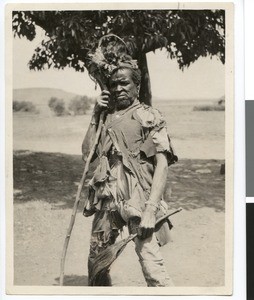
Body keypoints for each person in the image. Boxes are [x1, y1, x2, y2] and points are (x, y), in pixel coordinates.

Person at [82, 61, 177, 287]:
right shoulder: (105, 118)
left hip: (140, 201)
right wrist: (95, 114)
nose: (118, 89)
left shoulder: (149, 116)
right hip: (107, 202)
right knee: (96, 266)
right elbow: (87, 156)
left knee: (152, 268)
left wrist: (151, 211)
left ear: (137, 85)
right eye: (113, 84)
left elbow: (162, 165)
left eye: (124, 83)